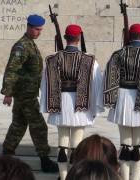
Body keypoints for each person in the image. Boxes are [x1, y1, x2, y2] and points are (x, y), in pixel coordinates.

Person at [40, 24, 103, 180]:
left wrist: (49, 103)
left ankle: (62, 176)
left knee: (62, 142)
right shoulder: (90, 60)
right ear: (79, 38)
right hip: (80, 106)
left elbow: (44, 84)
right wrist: (94, 107)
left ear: (65, 38)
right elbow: (96, 85)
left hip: (59, 104)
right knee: (77, 142)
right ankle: (75, 176)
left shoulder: (52, 59)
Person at [103, 23, 140, 180]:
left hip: (122, 100)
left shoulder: (118, 54)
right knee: (138, 146)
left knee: (124, 145)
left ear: (129, 36)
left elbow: (109, 77)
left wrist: (109, 100)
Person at [0, 14, 58, 172]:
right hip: (25, 95)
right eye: (37, 29)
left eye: (41, 30)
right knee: (39, 127)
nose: (39, 32)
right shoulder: (22, 46)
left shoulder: (30, 44)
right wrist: (8, 93)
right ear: (30, 27)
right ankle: (45, 160)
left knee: (18, 125)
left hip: (27, 93)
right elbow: (12, 69)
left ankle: (6, 154)